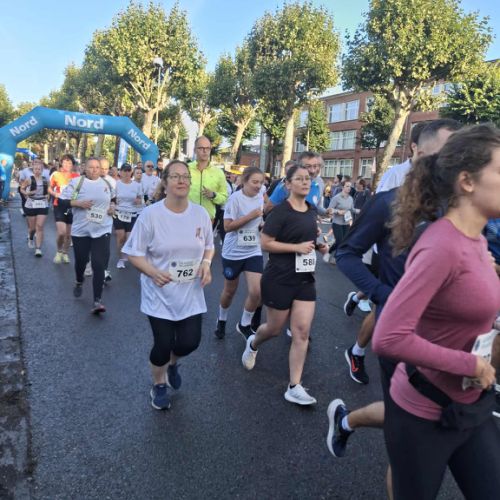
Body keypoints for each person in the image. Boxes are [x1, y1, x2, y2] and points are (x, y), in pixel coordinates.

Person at [326, 119, 461, 499]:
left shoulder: (461, 207)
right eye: (444, 153)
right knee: (411, 438)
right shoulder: (389, 201)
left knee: (424, 416)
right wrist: (384, 294)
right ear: (418, 153)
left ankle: (347, 420)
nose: (452, 162)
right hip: (401, 332)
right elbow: (346, 253)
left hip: (449, 336)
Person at [372, 123, 500, 500]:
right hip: (423, 413)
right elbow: (388, 337)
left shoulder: (476, 241)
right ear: (467, 181)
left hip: (471, 406)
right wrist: (470, 364)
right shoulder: (441, 245)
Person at [123, 160, 214, 410]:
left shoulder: (200, 214)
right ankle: (159, 384)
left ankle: (173, 363)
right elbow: (134, 253)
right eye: (175, 176)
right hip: (159, 294)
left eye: (185, 176)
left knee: (190, 342)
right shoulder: (151, 215)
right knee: (162, 345)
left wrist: (206, 264)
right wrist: (152, 272)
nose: (181, 180)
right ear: (164, 182)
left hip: (190, 293)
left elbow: (209, 246)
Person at [241, 164, 328, 405]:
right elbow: (265, 243)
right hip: (279, 277)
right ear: (287, 184)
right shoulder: (280, 212)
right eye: (299, 179)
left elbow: (307, 239)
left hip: (305, 278)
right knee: (274, 329)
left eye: (307, 178)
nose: (305, 182)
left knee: (301, 331)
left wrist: (319, 246)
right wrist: (296, 248)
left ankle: (294, 386)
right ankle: (253, 343)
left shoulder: (311, 210)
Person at [58, 157, 115, 314]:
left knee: (98, 264)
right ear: (85, 168)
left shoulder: (107, 183)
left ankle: (97, 301)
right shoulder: (77, 183)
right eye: (91, 167)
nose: (95, 170)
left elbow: (113, 199)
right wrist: (78, 203)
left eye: (97, 167)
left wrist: (112, 207)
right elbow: (61, 201)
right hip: (81, 230)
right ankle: (79, 280)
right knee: (81, 262)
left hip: (103, 229)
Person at [214, 167, 264, 340]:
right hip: (233, 252)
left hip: (253, 250)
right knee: (230, 291)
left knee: (256, 291)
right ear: (244, 181)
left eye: (261, 182)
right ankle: (221, 319)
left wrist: (262, 225)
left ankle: (244, 324)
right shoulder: (234, 199)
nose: (258, 186)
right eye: (255, 182)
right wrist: (250, 216)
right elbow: (227, 227)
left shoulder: (260, 197)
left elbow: (259, 221)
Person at [48, 154, 80, 264]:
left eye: (69, 162)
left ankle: (65, 253)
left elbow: (78, 191)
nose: (67, 164)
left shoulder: (77, 176)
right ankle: (58, 251)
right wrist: (55, 194)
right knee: (61, 232)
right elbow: (49, 188)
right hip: (59, 205)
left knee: (68, 234)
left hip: (71, 206)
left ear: (73, 164)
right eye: (65, 162)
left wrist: (76, 199)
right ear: (61, 163)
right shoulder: (56, 174)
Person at [188, 136, 228, 221]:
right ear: (195, 150)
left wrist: (214, 195)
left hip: (208, 219)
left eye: (207, 148)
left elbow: (224, 198)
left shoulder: (218, 173)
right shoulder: (186, 169)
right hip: (186, 217)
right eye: (201, 148)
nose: (205, 151)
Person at [114, 163, 142, 269]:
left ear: (131, 172)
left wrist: (137, 201)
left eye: (128, 170)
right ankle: (121, 259)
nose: (126, 173)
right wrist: (114, 202)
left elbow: (140, 199)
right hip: (119, 213)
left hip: (132, 214)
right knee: (120, 238)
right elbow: (112, 198)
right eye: (124, 171)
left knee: (129, 238)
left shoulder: (137, 185)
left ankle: (125, 253)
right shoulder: (116, 184)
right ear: (120, 172)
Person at [19, 159, 49, 256]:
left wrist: (48, 195)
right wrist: (27, 193)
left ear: (42, 170)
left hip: (42, 203)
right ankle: (31, 237)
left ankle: (38, 249)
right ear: (33, 170)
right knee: (32, 228)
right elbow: (22, 189)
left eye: (39, 169)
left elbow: (49, 190)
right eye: (35, 169)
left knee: (39, 226)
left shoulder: (45, 180)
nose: (37, 171)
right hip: (31, 203)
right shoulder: (29, 179)